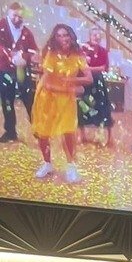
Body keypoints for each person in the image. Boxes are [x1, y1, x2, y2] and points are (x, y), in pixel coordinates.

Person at [31, 23, 93, 183]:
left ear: (71, 36)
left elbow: (89, 78)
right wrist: (72, 89)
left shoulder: (78, 54)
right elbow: (48, 84)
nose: (63, 38)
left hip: (66, 99)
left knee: (68, 132)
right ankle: (47, 163)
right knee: (43, 133)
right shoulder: (51, 53)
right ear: (55, 38)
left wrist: (70, 81)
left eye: (65, 35)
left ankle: (71, 166)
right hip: (47, 97)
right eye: (59, 35)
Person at [0, 1, 39, 142]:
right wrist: (9, 56)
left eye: (20, 17)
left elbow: (34, 51)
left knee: (29, 100)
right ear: (9, 14)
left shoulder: (26, 32)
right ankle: (10, 131)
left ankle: (38, 129)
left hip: (23, 71)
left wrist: (24, 57)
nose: (17, 19)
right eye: (14, 16)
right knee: (7, 101)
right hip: (5, 70)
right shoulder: (1, 26)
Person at [79, 25, 115, 145]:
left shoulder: (103, 51)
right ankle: (82, 135)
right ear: (90, 36)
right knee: (84, 105)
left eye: (99, 35)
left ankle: (109, 137)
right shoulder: (83, 48)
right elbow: (81, 65)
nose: (97, 37)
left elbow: (104, 68)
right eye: (94, 35)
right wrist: (93, 68)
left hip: (98, 82)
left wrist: (89, 68)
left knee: (103, 106)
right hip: (85, 81)